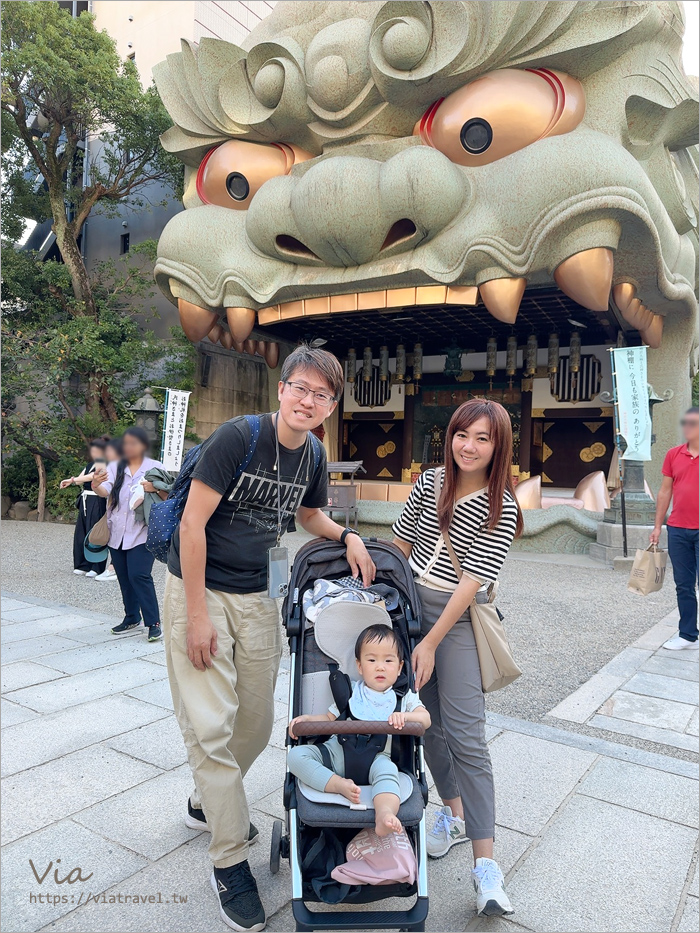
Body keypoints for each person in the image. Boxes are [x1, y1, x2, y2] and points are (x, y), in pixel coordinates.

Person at [163, 344, 375, 933]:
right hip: (197, 590)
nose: (308, 401)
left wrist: (347, 535)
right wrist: (198, 616)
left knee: (254, 725)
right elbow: (191, 523)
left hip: (259, 596)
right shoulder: (237, 437)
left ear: (330, 406)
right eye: (300, 388)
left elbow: (308, 516)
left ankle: (207, 803)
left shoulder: (312, 454)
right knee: (210, 727)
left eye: (322, 394)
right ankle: (229, 859)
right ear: (281, 390)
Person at [392, 398, 523, 918]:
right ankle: (450, 811)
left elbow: (471, 583)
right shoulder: (430, 483)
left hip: (458, 619)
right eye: (462, 435)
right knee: (427, 725)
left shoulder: (503, 507)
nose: (469, 446)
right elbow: (400, 545)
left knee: (468, 735)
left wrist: (428, 641)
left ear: (499, 446)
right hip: (411, 608)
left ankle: (486, 867)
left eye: (482, 438)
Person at [288, 623, 431, 838]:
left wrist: (406, 716)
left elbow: (425, 720)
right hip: (337, 754)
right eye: (372, 660)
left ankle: (384, 814)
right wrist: (307, 720)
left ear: (400, 667)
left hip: (378, 759)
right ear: (360, 666)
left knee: (388, 775)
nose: (380, 667)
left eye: (388, 660)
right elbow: (328, 719)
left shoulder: (404, 698)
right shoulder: (351, 691)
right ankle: (337, 785)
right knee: (296, 757)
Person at [91, 427, 168, 641]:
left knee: (139, 575)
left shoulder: (155, 467)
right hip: (117, 531)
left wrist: (155, 488)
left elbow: (169, 494)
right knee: (124, 577)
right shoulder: (116, 466)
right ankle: (132, 617)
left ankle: (153, 622)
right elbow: (104, 490)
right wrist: (96, 485)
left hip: (143, 531)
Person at [650, 407, 699, 650]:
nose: (688, 427)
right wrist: (658, 526)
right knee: (683, 584)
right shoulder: (673, 454)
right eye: (686, 422)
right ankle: (687, 634)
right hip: (678, 528)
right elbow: (665, 491)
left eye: (694, 423)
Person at [60, 438, 110, 577]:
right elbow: (82, 477)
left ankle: (97, 566)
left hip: (97, 499)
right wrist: (72, 481)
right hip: (85, 500)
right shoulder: (90, 464)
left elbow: (93, 477)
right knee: (81, 532)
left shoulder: (104, 463)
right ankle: (82, 564)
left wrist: (72, 480)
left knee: (95, 532)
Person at [94, 438, 122, 582]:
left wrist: (74, 480)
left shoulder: (117, 464)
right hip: (109, 503)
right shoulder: (107, 463)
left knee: (113, 535)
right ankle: (109, 567)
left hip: (117, 507)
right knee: (110, 534)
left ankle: (112, 568)